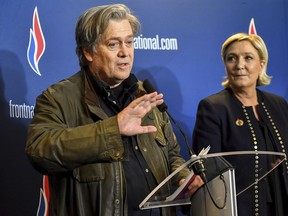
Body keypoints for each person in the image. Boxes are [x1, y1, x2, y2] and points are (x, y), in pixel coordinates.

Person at [25, 4, 202, 216]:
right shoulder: (59, 98)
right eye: (113, 44)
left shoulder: (143, 95)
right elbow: (40, 151)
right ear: (88, 52)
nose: (125, 53)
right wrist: (113, 129)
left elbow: (172, 155)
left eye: (129, 42)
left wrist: (183, 178)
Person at [192, 32, 288, 216]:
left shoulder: (279, 104)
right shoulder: (213, 107)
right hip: (238, 208)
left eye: (248, 58)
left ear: (261, 64)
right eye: (232, 58)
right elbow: (209, 172)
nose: (239, 65)